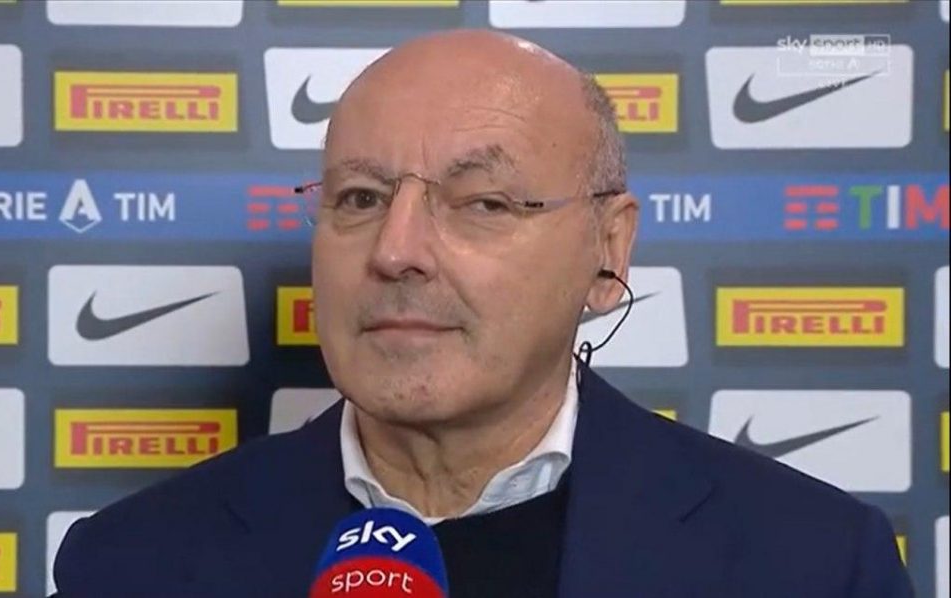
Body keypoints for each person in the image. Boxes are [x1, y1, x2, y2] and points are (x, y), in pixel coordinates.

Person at [52, 29, 912, 598]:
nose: (396, 251)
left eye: (484, 203)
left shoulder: (815, 564)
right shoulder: (130, 565)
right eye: (360, 197)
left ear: (609, 252)